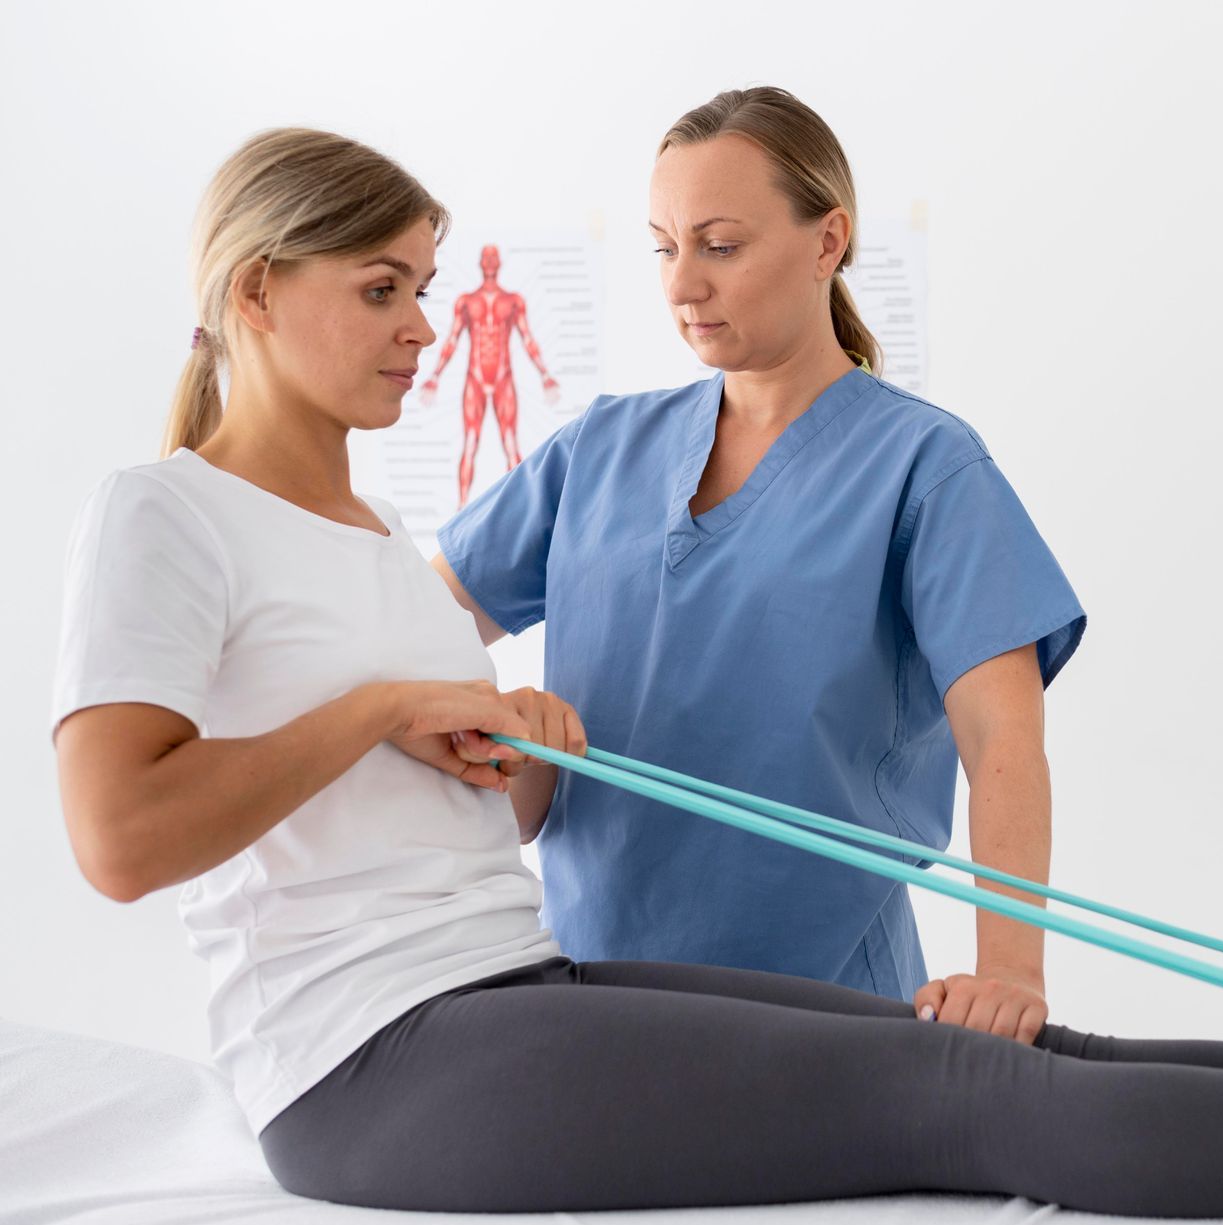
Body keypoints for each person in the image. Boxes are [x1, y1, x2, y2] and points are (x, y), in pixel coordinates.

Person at [50, 125, 1223, 1222]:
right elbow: (121, 839)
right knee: (956, 1096)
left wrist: (518, 743)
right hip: (368, 1055)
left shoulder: (374, 539)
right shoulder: (166, 515)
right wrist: (378, 709)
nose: (424, 324)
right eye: (385, 288)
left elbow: (471, 809)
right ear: (255, 291)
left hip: (508, 982)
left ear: (827, 237)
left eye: (425, 286)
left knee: (1031, 1057)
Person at [430, 89, 1083, 1037]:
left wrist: (1010, 970)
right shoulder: (599, 449)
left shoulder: (924, 469)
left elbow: (1004, 744)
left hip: (827, 1015)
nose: (682, 283)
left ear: (829, 242)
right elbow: (414, 630)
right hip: (589, 1000)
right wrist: (502, 729)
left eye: (721, 246)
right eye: (665, 246)